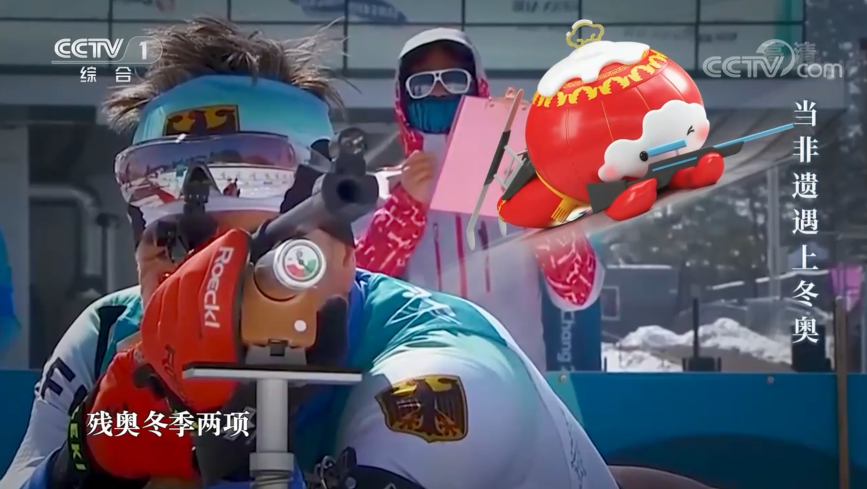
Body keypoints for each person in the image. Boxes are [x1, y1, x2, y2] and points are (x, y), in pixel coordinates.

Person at [1, 18, 717, 489]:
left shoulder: (439, 347)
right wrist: (83, 459)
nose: (186, 223)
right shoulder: (107, 330)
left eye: (244, 173)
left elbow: (572, 290)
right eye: (156, 179)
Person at [354, 28, 604, 369]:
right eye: (421, 83)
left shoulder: (520, 181)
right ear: (402, 99)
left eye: (454, 79)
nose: (439, 91)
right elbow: (354, 294)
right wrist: (406, 208)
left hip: (514, 380)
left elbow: (578, 293)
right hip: (419, 381)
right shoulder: (381, 192)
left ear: (477, 87)